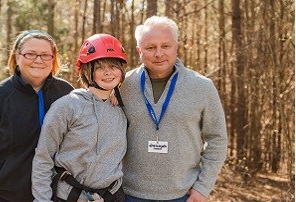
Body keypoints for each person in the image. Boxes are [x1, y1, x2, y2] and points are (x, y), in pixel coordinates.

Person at [120, 16, 227, 202]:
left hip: (182, 195)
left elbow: (217, 139)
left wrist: (203, 187)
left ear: (176, 47)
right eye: (150, 47)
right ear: (139, 51)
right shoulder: (122, 86)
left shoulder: (202, 87)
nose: (158, 53)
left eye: (166, 46)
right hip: (128, 194)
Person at [0, 30, 74, 202]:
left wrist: (112, 96)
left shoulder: (67, 94)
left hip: (59, 195)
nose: (38, 60)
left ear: (54, 59)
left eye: (45, 55)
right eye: (30, 54)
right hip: (8, 195)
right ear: (17, 56)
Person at [31, 33, 128, 202]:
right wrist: (42, 199)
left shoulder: (122, 108)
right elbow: (43, 157)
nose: (108, 73)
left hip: (112, 196)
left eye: (113, 66)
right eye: (99, 67)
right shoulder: (67, 106)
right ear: (87, 71)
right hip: (70, 196)